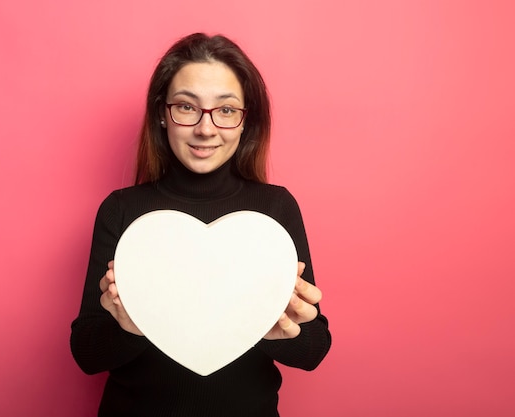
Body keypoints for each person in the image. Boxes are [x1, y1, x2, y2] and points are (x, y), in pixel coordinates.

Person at [71, 33, 331, 417]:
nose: (206, 129)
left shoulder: (274, 209)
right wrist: (131, 326)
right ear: (162, 113)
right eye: (187, 107)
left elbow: (313, 349)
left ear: (246, 121)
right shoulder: (123, 211)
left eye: (225, 110)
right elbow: (87, 353)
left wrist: (273, 330)